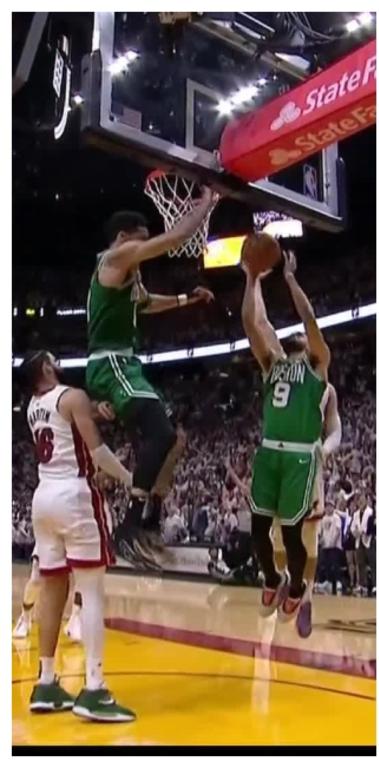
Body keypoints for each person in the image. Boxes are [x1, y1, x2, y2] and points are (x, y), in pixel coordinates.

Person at [87, 198, 218, 566]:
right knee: (160, 433)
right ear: (122, 237)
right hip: (109, 362)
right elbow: (176, 237)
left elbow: (145, 303)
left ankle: (145, 521)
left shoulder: (129, 277)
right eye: (138, 242)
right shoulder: (112, 261)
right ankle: (129, 526)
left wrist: (184, 299)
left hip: (126, 364)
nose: (141, 250)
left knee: (172, 438)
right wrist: (207, 203)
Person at [21, 350, 136, 721]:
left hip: (43, 498)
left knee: (53, 589)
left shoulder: (32, 407)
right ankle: (94, 688)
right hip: (75, 495)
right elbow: (97, 452)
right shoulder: (72, 396)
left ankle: (47, 681)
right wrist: (132, 480)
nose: (59, 361)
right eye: (53, 358)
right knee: (90, 590)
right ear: (45, 368)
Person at [241, 250, 329, 624]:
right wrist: (251, 279)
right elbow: (253, 322)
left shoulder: (317, 364)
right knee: (258, 528)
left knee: (292, 533)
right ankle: (273, 579)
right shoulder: (272, 364)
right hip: (268, 452)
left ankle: (297, 589)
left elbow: (309, 318)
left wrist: (291, 280)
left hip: (298, 456)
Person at [270, 381, 342, 637]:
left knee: (309, 540)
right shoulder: (280, 380)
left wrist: (326, 448)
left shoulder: (327, 390)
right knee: (278, 537)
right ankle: (285, 577)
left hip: (310, 464)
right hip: (281, 461)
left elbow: (335, 430)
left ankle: (307, 600)